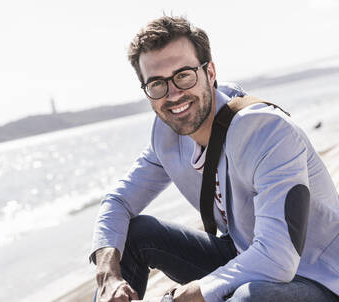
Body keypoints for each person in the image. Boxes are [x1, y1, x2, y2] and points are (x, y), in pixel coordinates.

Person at [90, 16, 339, 302]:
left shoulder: (266, 131)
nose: (173, 94)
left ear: (210, 72)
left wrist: (198, 291)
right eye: (157, 83)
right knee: (135, 234)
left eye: (183, 75)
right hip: (245, 258)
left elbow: (278, 259)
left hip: (322, 279)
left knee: (249, 297)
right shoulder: (167, 135)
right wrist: (107, 274)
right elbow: (118, 202)